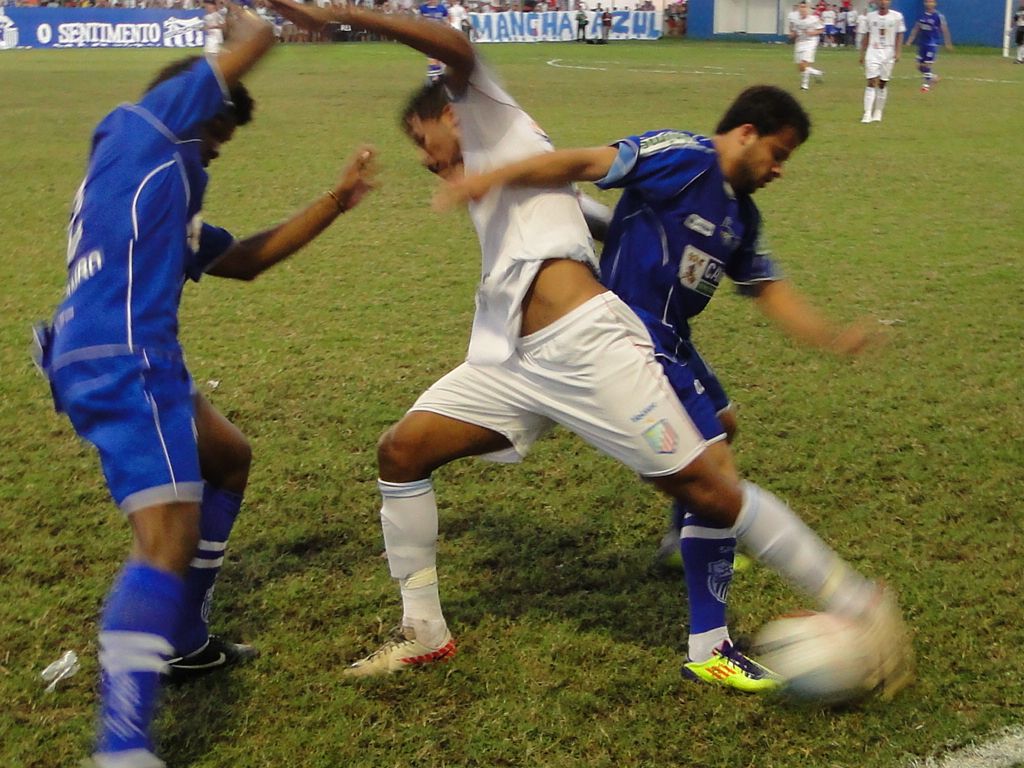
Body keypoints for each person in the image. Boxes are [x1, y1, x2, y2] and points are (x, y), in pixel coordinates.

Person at [267, 0, 913, 697]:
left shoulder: (489, 115)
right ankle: (424, 630)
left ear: (452, 113)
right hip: (513, 359)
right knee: (401, 451)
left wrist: (334, 13)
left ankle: (855, 601)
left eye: (424, 141)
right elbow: (589, 213)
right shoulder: (503, 168)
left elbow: (453, 44)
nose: (425, 160)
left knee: (706, 486)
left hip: (587, 346)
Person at [436, 85, 914, 694]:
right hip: (627, 333)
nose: (779, 170)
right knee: (716, 476)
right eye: (778, 152)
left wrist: (831, 337)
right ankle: (711, 644)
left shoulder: (741, 214)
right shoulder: (682, 157)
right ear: (745, 133)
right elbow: (585, 163)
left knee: (724, 425)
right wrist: (491, 178)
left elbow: (768, 289)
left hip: (673, 338)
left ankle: (680, 538)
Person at [33, 11, 376, 767]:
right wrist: (287, 14)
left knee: (226, 457)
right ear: (191, 105)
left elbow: (246, 260)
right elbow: (253, 40)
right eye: (214, 138)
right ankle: (122, 746)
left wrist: (334, 200)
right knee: (165, 538)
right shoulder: (148, 127)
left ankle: (183, 640)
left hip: (104, 348)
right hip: (127, 356)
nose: (214, 155)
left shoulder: (158, 184)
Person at [859, 0, 904, 123]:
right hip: (873, 51)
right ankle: (867, 113)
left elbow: (900, 34)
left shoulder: (897, 17)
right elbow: (866, 36)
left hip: (888, 52)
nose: (883, 3)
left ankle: (878, 111)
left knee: (882, 83)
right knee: (871, 81)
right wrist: (862, 54)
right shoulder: (870, 17)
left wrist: (898, 52)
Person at [905, 0, 952, 92]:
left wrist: (947, 43)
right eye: (927, 2)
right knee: (919, 66)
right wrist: (909, 41)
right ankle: (933, 77)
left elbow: (944, 30)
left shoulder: (938, 16)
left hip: (932, 44)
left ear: (935, 4)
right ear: (924, 3)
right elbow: (916, 29)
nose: (929, 4)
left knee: (927, 65)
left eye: (931, 2)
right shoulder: (922, 16)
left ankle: (925, 86)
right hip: (922, 44)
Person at [790, 1, 824, 91]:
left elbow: (821, 29)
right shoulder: (795, 19)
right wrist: (792, 34)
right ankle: (816, 73)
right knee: (801, 67)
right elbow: (793, 30)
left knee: (804, 62)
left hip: (811, 42)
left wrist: (813, 33)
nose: (802, 9)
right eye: (801, 7)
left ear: (808, 9)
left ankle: (804, 86)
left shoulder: (814, 19)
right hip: (800, 42)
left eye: (804, 7)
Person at [418, 0, 450, 81]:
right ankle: (434, 75)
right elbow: (419, 21)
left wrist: (447, 28)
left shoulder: (442, 8)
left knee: (439, 56)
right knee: (432, 55)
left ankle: (436, 73)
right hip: (428, 35)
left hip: (440, 34)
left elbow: (446, 20)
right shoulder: (423, 8)